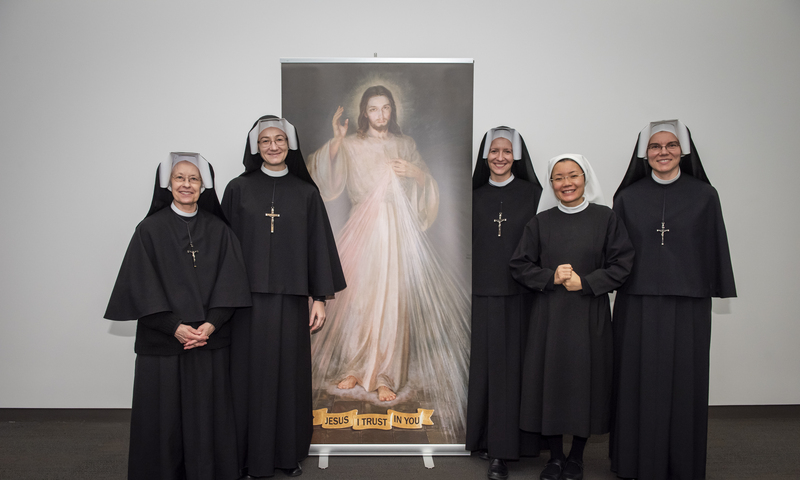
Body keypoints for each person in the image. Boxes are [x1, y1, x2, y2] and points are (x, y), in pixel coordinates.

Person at [305, 86, 471, 439]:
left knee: (393, 302)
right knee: (358, 300)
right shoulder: (350, 143)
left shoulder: (406, 144)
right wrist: (336, 140)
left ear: (392, 111)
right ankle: (355, 365)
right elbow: (321, 177)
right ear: (363, 113)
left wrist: (416, 173)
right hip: (362, 227)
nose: (379, 115)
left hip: (395, 230)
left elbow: (427, 184)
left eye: (385, 108)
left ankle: (385, 376)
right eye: (372, 109)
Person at [105, 153, 252, 480]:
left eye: (194, 179)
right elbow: (140, 285)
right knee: (163, 422)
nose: (186, 184)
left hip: (208, 342)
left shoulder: (220, 230)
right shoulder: (149, 230)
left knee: (207, 421)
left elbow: (232, 284)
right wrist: (175, 327)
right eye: (179, 178)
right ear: (167, 184)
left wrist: (210, 324)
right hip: (164, 343)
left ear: (204, 186)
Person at [609, 120, 736, 480]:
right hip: (637, 304)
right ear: (644, 153)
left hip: (688, 304)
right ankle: (634, 462)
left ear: (684, 150)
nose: (663, 152)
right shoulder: (627, 198)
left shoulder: (705, 195)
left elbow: (716, 247)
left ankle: (684, 464)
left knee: (685, 384)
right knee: (636, 382)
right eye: (655, 146)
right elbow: (615, 253)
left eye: (670, 145)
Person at [221, 116, 346, 479]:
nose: (272, 146)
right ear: (255, 147)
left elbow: (317, 246)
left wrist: (319, 297)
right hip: (246, 303)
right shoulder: (237, 189)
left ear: (290, 145)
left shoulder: (306, 193)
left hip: (291, 303)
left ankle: (286, 454)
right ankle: (246, 457)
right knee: (248, 378)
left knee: (288, 379)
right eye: (265, 141)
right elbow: (222, 248)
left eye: (279, 140)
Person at [511, 154, 635, 480]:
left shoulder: (606, 218)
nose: (566, 183)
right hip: (549, 318)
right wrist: (551, 276)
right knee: (550, 384)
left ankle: (576, 457)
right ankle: (554, 457)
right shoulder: (540, 222)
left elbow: (623, 265)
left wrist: (589, 282)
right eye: (559, 178)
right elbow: (520, 265)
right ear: (551, 184)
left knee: (585, 384)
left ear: (585, 178)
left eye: (573, 176)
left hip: (588, 315)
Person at [467, 127, 543, 480]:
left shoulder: (534, 193)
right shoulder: (472, 195)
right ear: (485, 156)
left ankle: (510, 448)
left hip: (521, 295)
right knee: (486, 370)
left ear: (517, 156)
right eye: (494, 151)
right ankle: (486, 440)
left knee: (515, 371)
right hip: (481, 293)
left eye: (506, 151)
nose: (500, 157)